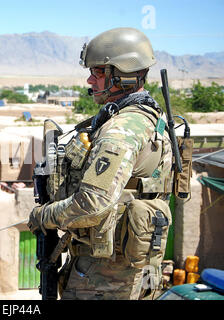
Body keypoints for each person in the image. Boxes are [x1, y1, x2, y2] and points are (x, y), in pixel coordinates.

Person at [28, 27, 174, 300]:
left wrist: (42, 216)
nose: (89, 79)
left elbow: (93, 204)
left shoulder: (122, 130)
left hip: (104, 280)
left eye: (97, 72)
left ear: (122, 74)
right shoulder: (151, 117)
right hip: (127, 273)